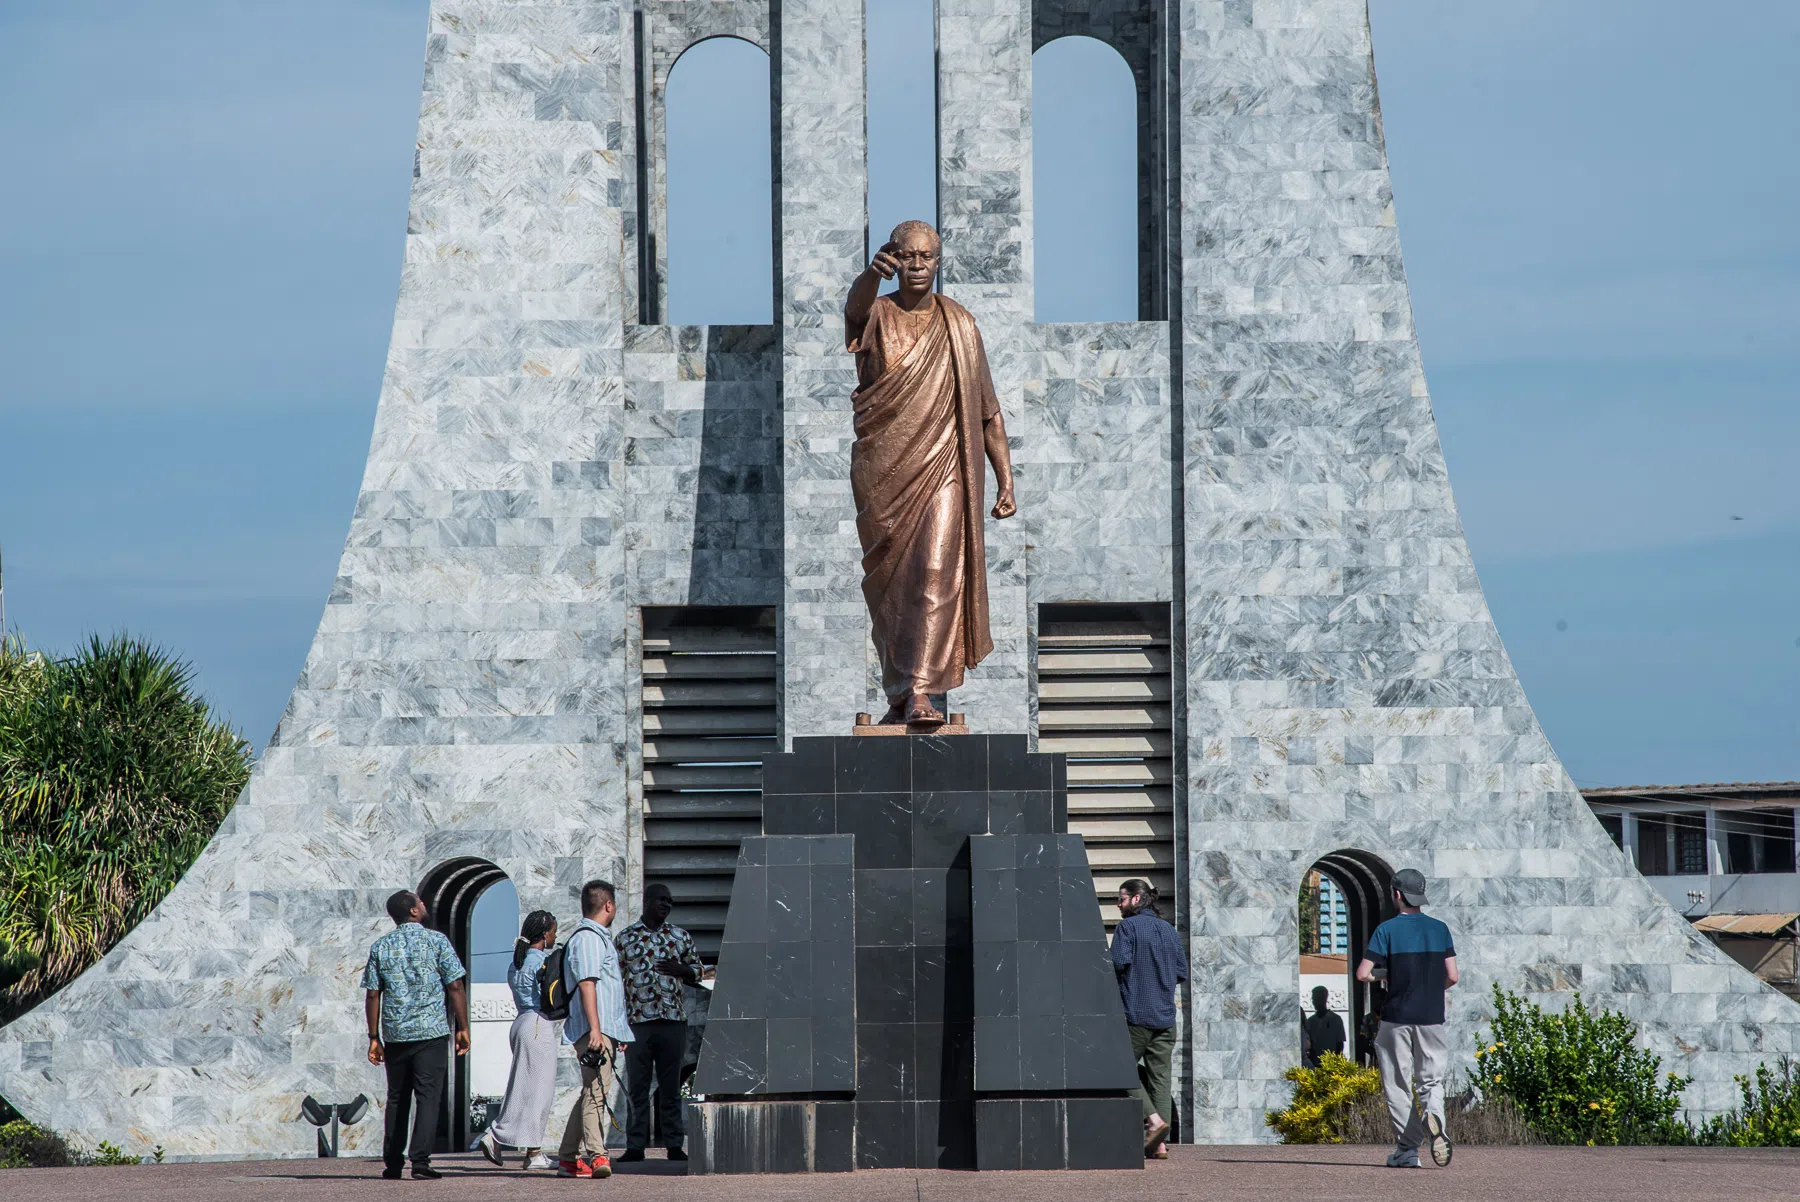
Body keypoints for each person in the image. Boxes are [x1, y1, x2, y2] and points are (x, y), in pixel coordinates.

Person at [843, 219, 1018, 727]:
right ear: (894, 259)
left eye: (927, 257)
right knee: (891, 586)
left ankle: (922, 688)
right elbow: (852, 312)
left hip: (944, 468)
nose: (918, 266)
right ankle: (899, 688)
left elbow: (988, 412)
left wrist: (1005, 479)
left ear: (939, 263)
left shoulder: (959, 325)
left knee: (937, 573)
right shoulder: (876, 312)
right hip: (884, 472)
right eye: (908, 257)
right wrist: (869, 277)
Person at [362, 889, 470, 1181]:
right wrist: (463, 1026)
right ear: (412, 911)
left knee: (397, 1098)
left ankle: (393, 1163)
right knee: (428, 1097)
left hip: (396, 1035)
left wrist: (374, 1037)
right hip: (431, 1032)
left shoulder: (381, 946)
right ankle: (420, 1162)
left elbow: (373, 995)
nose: (424, 905)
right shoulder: (436, 941)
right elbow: (455, 986)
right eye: (420, 902)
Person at [1356, 868, 1458, 1169]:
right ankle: (1434, 1116)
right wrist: (1426, 986)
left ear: (1396, 895)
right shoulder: (1440, 929)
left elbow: (1363, 973)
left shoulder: (1386, 930)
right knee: (1431, 1079)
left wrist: (1388, 974)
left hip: (1396, 1017)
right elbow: (1452, 976)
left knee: (1398, 1082)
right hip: (1432, 1016)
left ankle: (1408, 1150)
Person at [613, 883, 704, 1162]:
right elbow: (614, 982)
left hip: (673, 1022)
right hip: (638, 1024)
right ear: (647, 901)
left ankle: (674, 1145)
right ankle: (635, 1146)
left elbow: (699, 971)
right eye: (661, 900)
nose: (666, 904)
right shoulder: (625, 938)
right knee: (638, 1089)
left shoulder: (680, 937)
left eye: (670, 901)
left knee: (671, 1089)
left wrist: (682, 970)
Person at [557, 880, 633, 1179]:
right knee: (596, 1094)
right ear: (609, 905)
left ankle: (567, 1158)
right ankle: (597, 1156)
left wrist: (617, 1032)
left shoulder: (598, 937)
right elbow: (588, 984)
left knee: (590, 1092)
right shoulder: (588, 938)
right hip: (593, 1031)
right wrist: (597, 1031)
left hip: (603, 1030)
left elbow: (608, 990)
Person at [1110, 878, 1188, 1159]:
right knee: (1161, 1080)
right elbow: (1181, 971)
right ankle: (1160, 1145)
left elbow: (1117, 964)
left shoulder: (1127, 928)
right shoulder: (1168, 930)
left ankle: (1153, 1122)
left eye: (1120, 898)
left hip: (1136, 1014)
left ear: (1135, 899)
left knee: (1116, 1067)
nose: (1118, 904)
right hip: (1166, 1017)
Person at [478, 910, 560, 1170]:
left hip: (520, 1022)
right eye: (553, 931)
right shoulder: (541, 962)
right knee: (538, 1092)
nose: (555, 936)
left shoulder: (517, 962)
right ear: (545, 934)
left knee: (529, 1089)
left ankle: (533, 1151)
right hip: (537, 1024)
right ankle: (498, 1136)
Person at [1302, 985, 1346, 1067]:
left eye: (1317, 998)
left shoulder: (1336, 1019)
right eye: (1313, 999)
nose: (1314, 1001)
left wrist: (1336, 1062)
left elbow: (1340, 1043)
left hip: (1331, 1064)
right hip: (1314, 1063)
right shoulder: (1310, 1021)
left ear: (1324, 999)